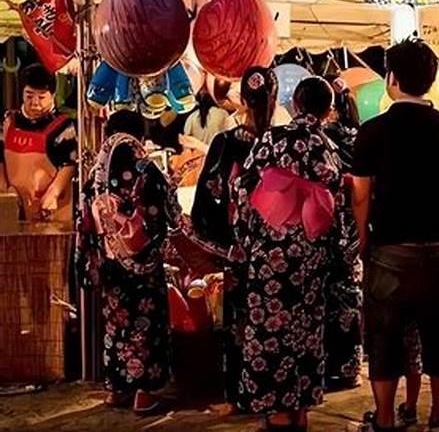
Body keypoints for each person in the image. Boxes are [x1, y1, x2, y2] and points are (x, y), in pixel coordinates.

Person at [351, 39, 439, 432]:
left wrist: (363, 240)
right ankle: (438, 416)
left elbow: (361, 195)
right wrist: (435, 222)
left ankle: (384, 418)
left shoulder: (372, 132)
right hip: (436, 248)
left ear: (392, 79)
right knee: (437, 333)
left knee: (386, 336)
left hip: (387, 247)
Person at [230, 76, 348, 430]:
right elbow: (336, 205)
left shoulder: (272, 139)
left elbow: (243, 187)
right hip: (312, 252)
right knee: (307, 329)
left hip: (270, 251)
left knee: (270, 329)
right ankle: (301, 408)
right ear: (328, 111)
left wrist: (248, 238)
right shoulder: (327, 147)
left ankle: (278, 412)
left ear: (295, 104)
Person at [75, 110, 181, 413]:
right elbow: (167, 213)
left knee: (117, 324)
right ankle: (144, 394)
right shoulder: (145, 169)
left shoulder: (96, 176)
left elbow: (84, 221)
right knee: (146, 324)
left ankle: (117, 389)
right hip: (143, 264)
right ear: (139, 136)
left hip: (110, 263)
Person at [191, 66, 278, 414]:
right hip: (278, 252)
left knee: (241, 322)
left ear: (243, 100)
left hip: (239, 250)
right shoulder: (285, 142)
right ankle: (273, 395)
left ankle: (240, 395)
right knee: (273, 322)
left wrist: (221, 242)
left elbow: (206, 197)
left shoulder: (226, 144)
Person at [321, 75, 363, 390]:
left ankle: (328, 363)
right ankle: (351, 366)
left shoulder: (326, 136)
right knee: (351, 294)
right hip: (356, 220)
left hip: (330, 221)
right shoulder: (361, 136)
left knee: (328, 295)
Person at [0, 64, 77, 221]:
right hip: (14, 209)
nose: (35, 102)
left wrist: (54, 192)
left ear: (53, 95)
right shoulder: (8, 121)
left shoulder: (63, 125)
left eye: (41, 97)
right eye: (29, 95)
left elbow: (69, 164)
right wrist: (4, 191)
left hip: (50, 210)